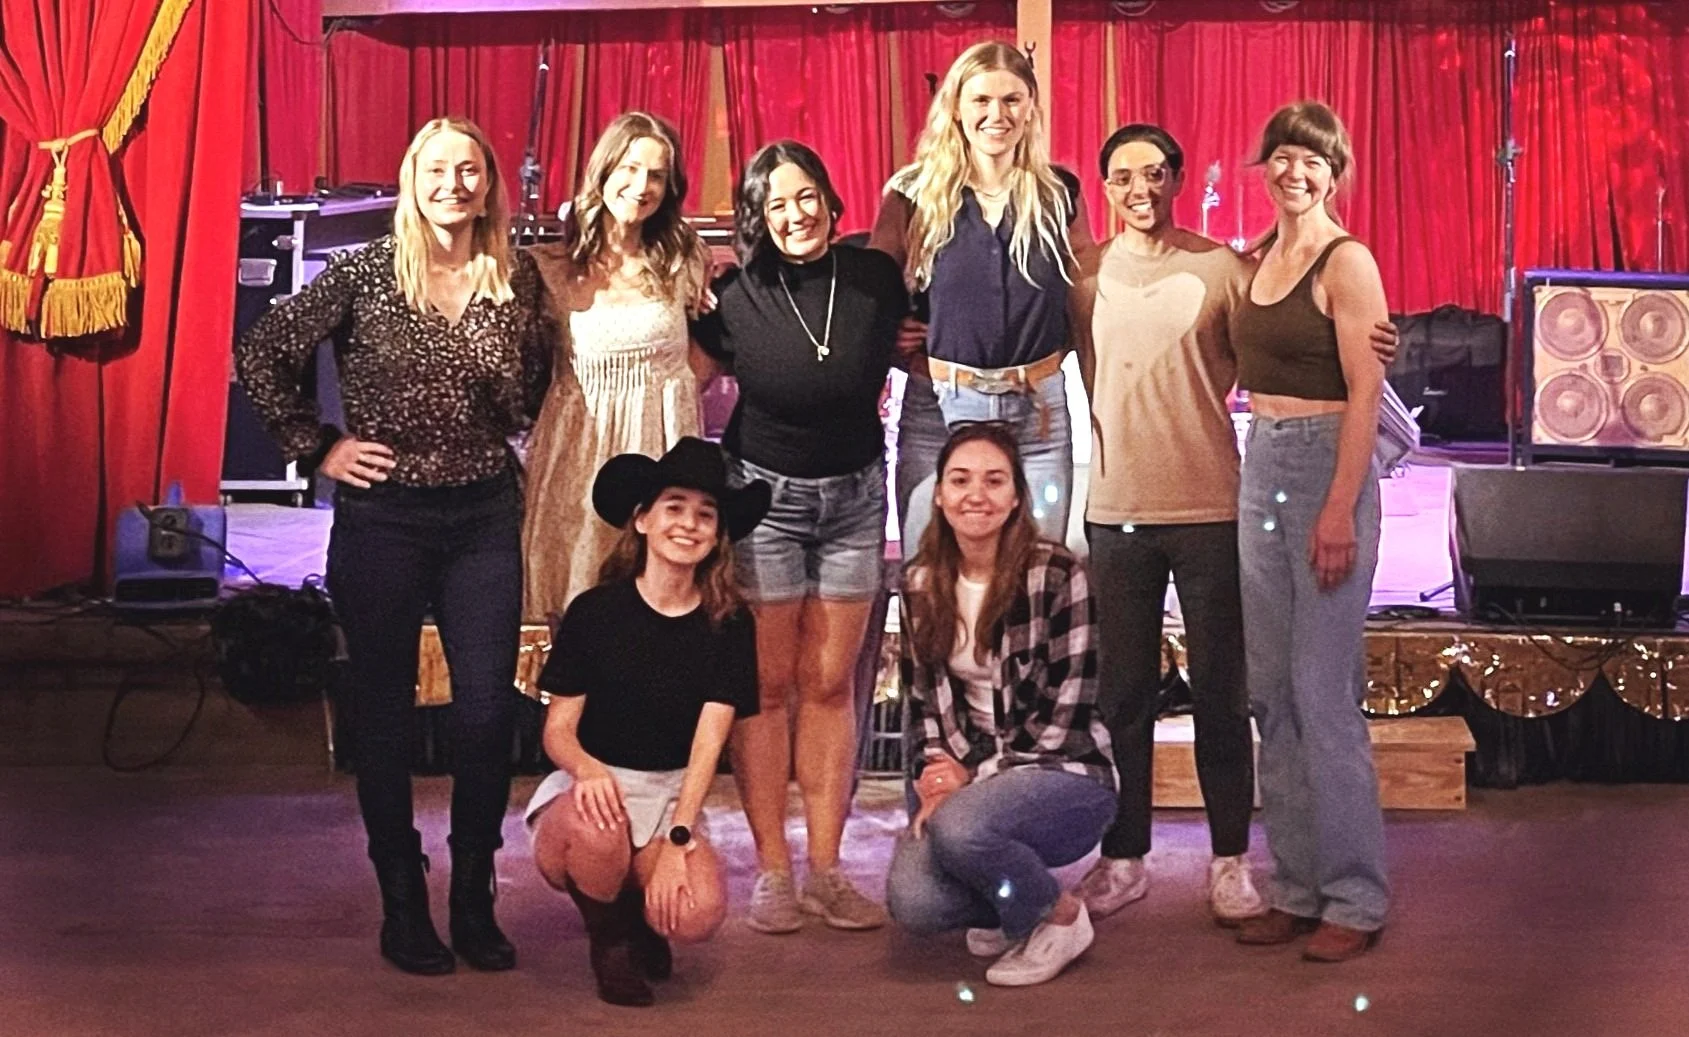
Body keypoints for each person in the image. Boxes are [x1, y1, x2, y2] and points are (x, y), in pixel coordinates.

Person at [237, 117, 551, 975]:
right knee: (382, 711)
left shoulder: (514, 276)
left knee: (485, 712)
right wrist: (317, 444)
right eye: (438, 169)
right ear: (413, 180)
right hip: (385, 518)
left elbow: (535, 380)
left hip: (482, 515)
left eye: (470, 170)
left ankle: (473, 895)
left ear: (488, 185)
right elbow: (263, 349)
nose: (455, 184)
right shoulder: (366, 272)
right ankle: (402, 899)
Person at [1068, 124, 1399, 926]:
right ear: (1103, 187)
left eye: (1155, 173)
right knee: (1140, 696)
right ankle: (1137, 858)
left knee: (1247, 692)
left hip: (1221, 502)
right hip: (1128, 506)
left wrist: (1381, 343)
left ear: (1178, 178)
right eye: (1122, 176)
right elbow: (1090, 366)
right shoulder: (1088, 277)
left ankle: (1255, 867)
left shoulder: (1229, 267)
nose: (1139, 189)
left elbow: (1305, 344)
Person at [691, 141, 908, 934]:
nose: (795, 214)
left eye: (806, 195)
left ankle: (825, 868)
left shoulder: (874, 277)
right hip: (764, 502)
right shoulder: (735, 294)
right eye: (776, 204)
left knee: (828, 684)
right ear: (758, 216)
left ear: (830, 198)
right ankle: (772, 872)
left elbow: (913, 334)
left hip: (855, 497)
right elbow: (683, 372)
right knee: (768, 686)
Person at [526, 438, 770, 1006]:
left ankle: (637, 914)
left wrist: (679, 837)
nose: (688, 524)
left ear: (717, 534)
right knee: (599, 824)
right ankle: (609, 937)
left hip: (671, 793)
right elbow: (558, 730)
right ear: (642, 520)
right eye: (674, 507)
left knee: (697, 914)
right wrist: (587, 770)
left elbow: (710, 743)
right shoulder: (595, 612)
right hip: (595, 783)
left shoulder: (730, 623)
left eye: (705, 514)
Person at [1229, 101, 1390, 962]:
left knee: (1321, 692)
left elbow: (1364, 392)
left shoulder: (1345, 260)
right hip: (1261, 458)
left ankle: (1354, 897)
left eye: (1312, 160)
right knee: (1272, 693)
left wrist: (1338, 505)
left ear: (1334, 173)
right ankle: (1294, 886)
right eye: (1283, 156)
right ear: (1265, 165)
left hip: (1325, 459)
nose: (1295, 172)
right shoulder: (1255, 258)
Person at [885, 423, 1115, 988]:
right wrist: (939, 774)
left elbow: (1065, 716)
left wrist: (970, 777)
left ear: (1015, 497)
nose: (976, 495)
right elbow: (925, 704)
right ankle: (1015, 904)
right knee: (914, 901)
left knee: (961, 827)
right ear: (939, 495)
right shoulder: (918, 581)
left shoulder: (1057, 572)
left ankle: (1060, 916)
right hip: (967, 772)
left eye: (994, 481)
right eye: (960, 480)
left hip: (1064, 770)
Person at [869, 40, 1095, 550]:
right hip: (939, 407)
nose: (998, 114)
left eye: (1012, 100)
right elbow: (873, 290)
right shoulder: (912, 194)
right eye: (982, 100)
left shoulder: (1059, 193)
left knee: (1036, 571)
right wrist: (893, 338)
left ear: (1031, 106)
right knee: (930, 571)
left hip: (1038, 411)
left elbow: (1086, 293)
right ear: (956, 108)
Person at [522, 111, 713, 622]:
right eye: (629, 168)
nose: (641, 186)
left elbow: (709, 348)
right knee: (575, 607)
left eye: (656, 175)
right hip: (578, 458)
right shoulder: (550, 268)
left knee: (659, 608)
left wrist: (675, 396)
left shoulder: (684, 259)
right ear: (603, 172)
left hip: (661, 449)